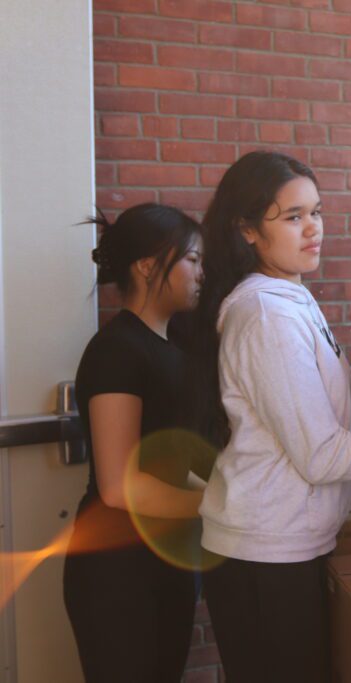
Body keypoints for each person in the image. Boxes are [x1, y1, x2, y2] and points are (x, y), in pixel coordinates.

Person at [189, 150, 351, 682]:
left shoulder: (290, 299)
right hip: (265, 552)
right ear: (247, 231)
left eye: (316, 212)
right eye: (293, 217)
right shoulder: (267, 315)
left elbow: (308, 419)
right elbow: (321, 455)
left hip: (284, 544)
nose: (313, 229)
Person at [63, 203, 206, 683]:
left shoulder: (175, 348)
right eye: (192, 260)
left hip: (168, 560)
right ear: (147, 266)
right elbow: (119, 486)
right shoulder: (116, 350)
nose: (200, 273)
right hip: (116, 571)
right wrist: (222, 504)